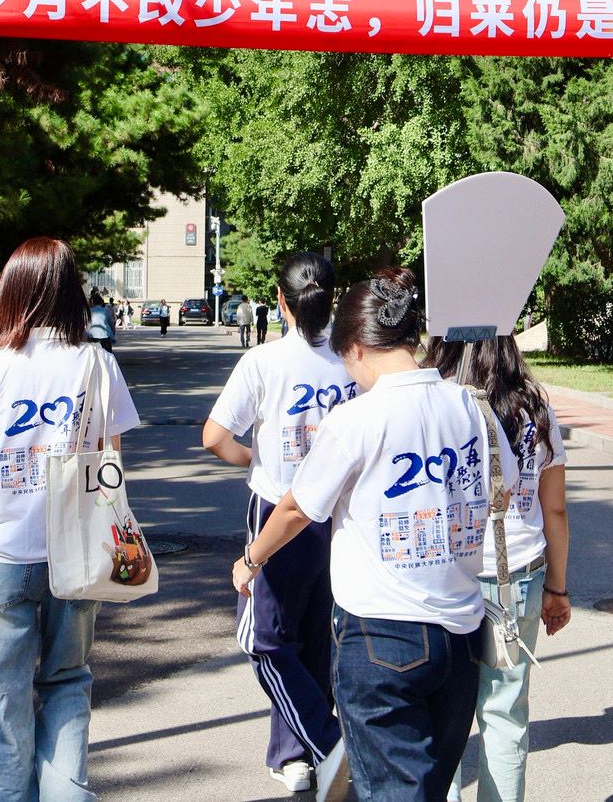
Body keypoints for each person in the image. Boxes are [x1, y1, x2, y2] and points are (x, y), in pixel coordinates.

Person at [232, 268, 500, 802]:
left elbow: (297, 508)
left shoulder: (357, 418)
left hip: (382, 633)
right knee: (429, 784)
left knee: (395, 791)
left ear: (356, 347)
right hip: (462, 633)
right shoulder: (473, 407)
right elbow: (504, 488)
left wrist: (252, 559)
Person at [0, 237, 140, 802]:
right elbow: (110, 462)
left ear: (12, 291)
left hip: (7, 556)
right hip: (78, 555)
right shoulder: (98, 363)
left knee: (1, 698)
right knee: (67, 682)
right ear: (70, 293)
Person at [204, 255, 353, 796]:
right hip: (338, 515)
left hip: (277, 510)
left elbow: (214, 437)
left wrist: (253, 458)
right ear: (331, 299)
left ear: (282, 303)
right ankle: (297, 754)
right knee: (313, 633)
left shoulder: (263, 362)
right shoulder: (352, 359)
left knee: (266, 638)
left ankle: (323, 743)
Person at [426, 336, 571, 802]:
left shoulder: (438, 406)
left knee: (441, 716)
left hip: (447, 576)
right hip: (518, 575)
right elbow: (555, 510)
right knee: (505, 714)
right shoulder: (535, 410)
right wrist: (558, 588)